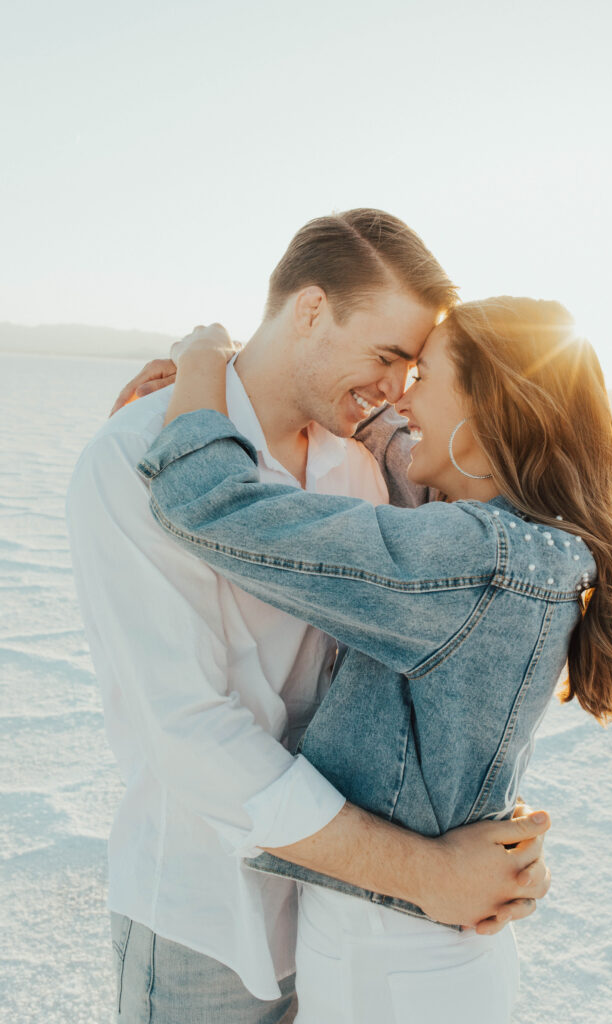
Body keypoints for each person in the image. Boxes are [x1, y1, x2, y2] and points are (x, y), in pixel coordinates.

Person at [66, 210, 551, 1024]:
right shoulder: (131, 456)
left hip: (345, 928)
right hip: (206, 923)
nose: (396, 391)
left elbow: (461, 647)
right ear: (311, 310)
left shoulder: (361, 461)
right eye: (387, 356)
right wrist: (430, 875)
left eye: (413, 369)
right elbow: (188, 732)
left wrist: (498, 840)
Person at [133, 295, 612, 1023]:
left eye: (424, 376)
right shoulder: (534, 548)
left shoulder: (473, 564)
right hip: (419, 954)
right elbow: (403, 466)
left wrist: (202, 365)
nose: (403, 397)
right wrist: (266, 388)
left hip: (390, 966)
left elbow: (210, 504)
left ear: (486, 409)